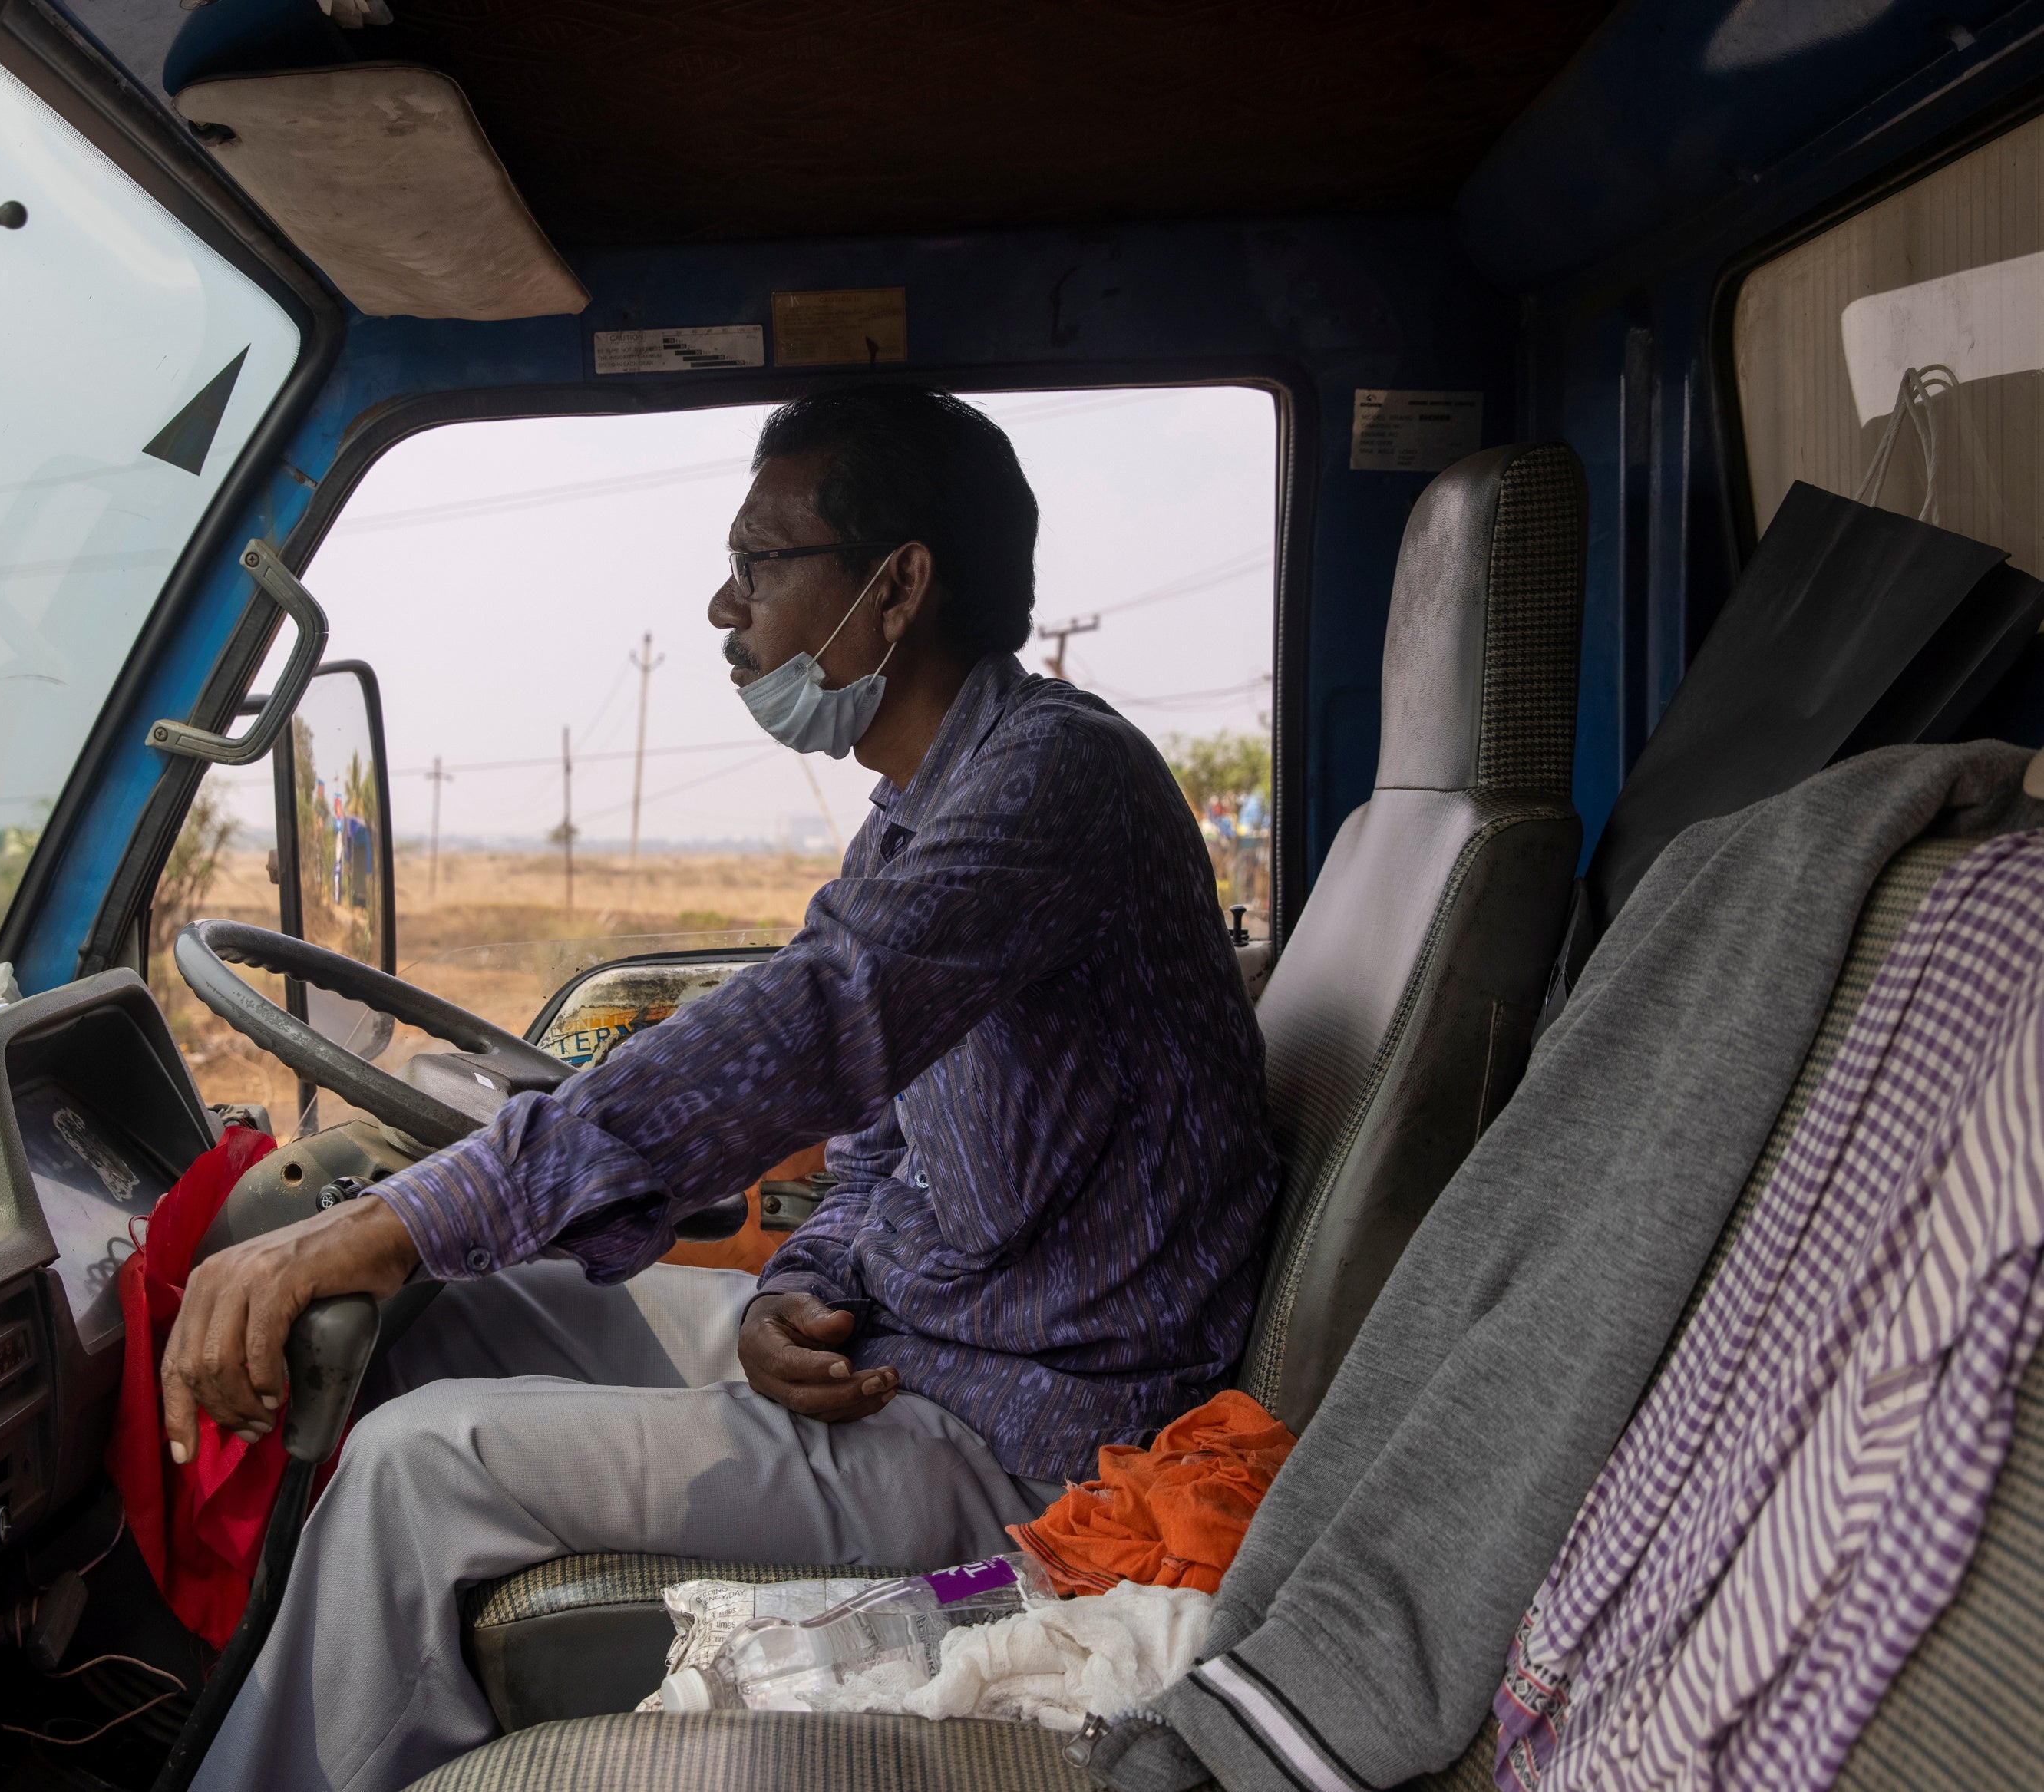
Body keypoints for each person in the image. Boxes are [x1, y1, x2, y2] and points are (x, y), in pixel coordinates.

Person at [177, 385, 1279, 1791]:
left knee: (412, 1460)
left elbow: (820, 1024)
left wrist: (388, 1216)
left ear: (897, 588)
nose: (722, 604)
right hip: (897, 1348)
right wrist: (781, 1291)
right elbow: (879, 1143)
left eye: (761, 563)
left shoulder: (1060, 779)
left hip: (1020, 1433)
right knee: (440, 1314)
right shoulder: (912, 819)